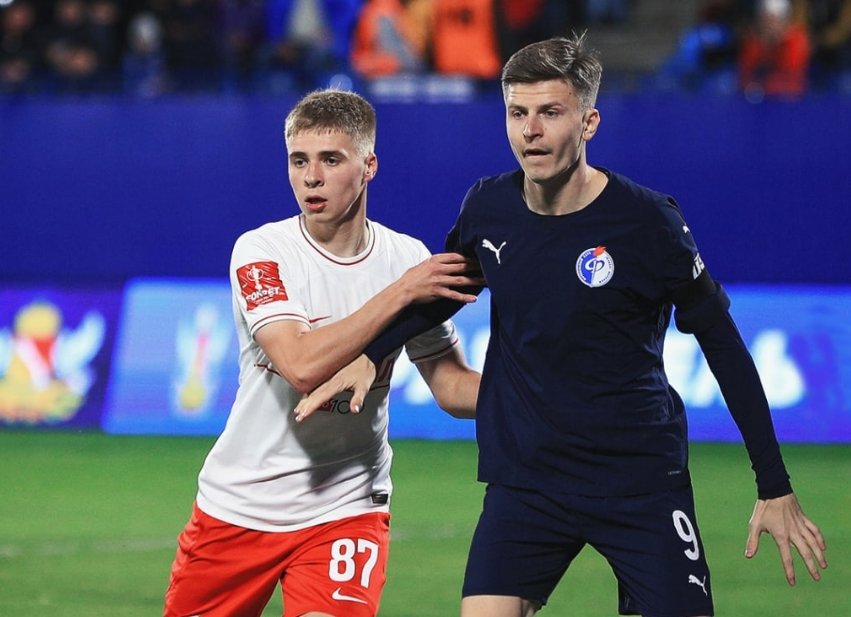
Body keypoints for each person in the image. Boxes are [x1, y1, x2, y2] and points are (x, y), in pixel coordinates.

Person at [297, 33, 828, 617]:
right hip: (527, 482)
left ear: (589, 122)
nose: (530, 131)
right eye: (517, 113)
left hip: (639, 482)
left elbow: (724, 347)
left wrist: (773, 484)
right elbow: (442, 296)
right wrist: (372, 353)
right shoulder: (488, 208)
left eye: (550, 113)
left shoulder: (648, 222)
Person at [163, 88, 482, 617]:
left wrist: (551, 391)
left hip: (347, 506)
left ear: (369, 166)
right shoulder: (261, 252)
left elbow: (451, 387)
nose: (311, 177)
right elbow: (301, 364)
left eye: (331, 160)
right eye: (299, 160)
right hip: (240, 504)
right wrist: (401, 293)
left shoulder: (405, 257)